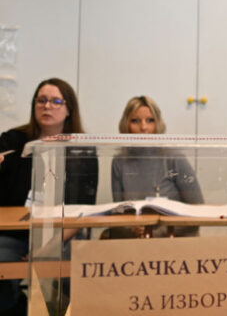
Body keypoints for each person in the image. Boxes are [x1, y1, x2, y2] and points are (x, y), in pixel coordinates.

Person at [0, 78, 98, 315]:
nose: (47, 106)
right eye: (41, 100)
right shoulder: (14, 139)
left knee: (69, 272)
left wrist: (47, 247)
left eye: (55, 101)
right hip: (13, 234)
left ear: (68, 110)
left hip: (60, 234)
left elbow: (82, 210)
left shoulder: (82, 149)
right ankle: (14, 306)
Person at [109, 96, 203, 238]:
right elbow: (119, 216)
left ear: (158, 124)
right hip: (135, 245)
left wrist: (157, 232)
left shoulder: (174, 158)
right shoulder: (119, 161)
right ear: (126, 125)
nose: (143, 127)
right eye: (135, 121)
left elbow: (198, 211)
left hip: (173, 243)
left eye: (150, 120)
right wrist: (131, 229)